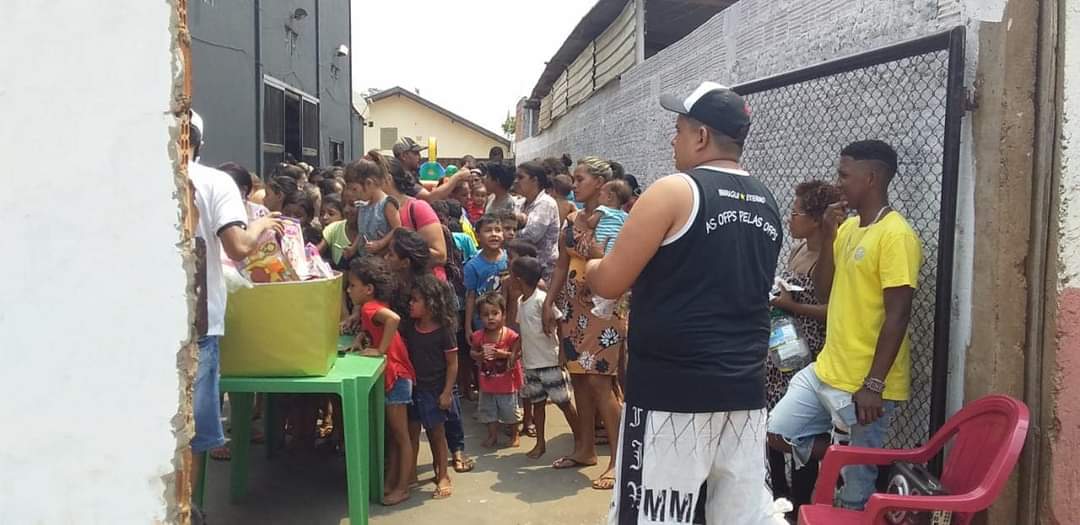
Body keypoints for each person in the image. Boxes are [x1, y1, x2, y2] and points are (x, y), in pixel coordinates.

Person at [584, 82, 784, 523]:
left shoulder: (674, 191)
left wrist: (593, 264)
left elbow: (611, 283)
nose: (672, 140)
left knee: (655, 515)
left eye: (678, 130)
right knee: (739, 516)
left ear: (701, 136)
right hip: (744, 391)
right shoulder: (765, 199)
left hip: (671, 392)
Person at [767, 140, 922, 511]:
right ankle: (845, 448)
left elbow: (898, 314)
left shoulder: (896, 235)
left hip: (865, 383)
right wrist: (830, 236)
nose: (839, 184)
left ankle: (861, 463)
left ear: (871, 178)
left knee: (854, 491)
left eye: (844, 176)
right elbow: (825, 290)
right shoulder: (849, 228)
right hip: (826, 370)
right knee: (775, 431)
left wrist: (874, 385)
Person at [186, 112, 284, 522]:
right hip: (196, 324)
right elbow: (238, 246)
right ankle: (184, 510)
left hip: (137, 324)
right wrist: (264, 225)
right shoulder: (213, 182)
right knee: (189, 433)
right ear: (200, 142)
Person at [543, 156, 626, 492]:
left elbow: (619, 261)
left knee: (600, 383)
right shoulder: (571, 219)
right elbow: (561, 266)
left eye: (580, 179)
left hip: (603, 310)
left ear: (600, 184)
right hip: (573, 311)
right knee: (578, 377)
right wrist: (549, 302)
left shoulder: (616, 220)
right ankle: (585, 449)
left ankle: (618, 461)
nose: (574, 184)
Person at [384, 229, 476, 473]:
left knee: (448, 404)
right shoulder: (394, 285)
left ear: (406, 261)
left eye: (391, 254)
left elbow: (448, 321)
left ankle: (457, 449)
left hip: (437, 351)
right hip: (411, 351)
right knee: (419, 416)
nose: (386, 258)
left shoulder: (431, 286)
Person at [345, 256, 416, 506]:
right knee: (396, 437)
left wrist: (380, 350)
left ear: (368, 288)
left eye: (352, 285)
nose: (348, 290)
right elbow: (373, 326)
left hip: (396, 375)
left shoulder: (369, 307)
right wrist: (361, 338)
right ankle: (392, 481)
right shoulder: (371, 307)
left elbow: (393, 319)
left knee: (400, 436)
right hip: (396, 374)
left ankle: (402, 487)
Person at [511, 256, 579, 460]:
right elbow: (524, 331)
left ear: (519, 279)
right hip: (531, 364)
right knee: (538, 404)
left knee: (563, 403)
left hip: (549, 361)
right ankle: (540, 444)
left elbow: (560, 321)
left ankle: (581, 440)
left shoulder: (542, 300)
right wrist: (515, 352)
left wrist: (562, 352)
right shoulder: (521, 302)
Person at [402, 274, 460, 500]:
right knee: (412, 432)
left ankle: (443, 474)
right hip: (414, 388)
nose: (411, 304)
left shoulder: (444, 330)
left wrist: (447, 392)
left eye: (415, 300)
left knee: (437, 434)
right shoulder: (410, 328)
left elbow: (452, 364)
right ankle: (410, 473)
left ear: (431, 303)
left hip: (435, 390)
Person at [383, 156, 450, 281]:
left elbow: (440, 255)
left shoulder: (417, 208)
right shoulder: (366, 212)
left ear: (387, 180)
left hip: (421, 286)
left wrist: (402, 255)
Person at [470, 293, 523, 448]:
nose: (491, 318)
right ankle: (492, 436)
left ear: (503, 314)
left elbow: (518, 354)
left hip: (506, 384)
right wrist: (479, 356)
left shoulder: (510, 335)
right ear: (480, 317)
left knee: (510, 411)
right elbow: (472, 352)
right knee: (488, 412)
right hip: (487, 383)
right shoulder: (478, 336)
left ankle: (515, 434)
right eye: (485, 315)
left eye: (495, 313)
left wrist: (503, 354)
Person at [585, 179, 633, 320]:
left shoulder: (602, 210)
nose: (598, 196)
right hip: (614, 249)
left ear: (610, 197)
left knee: (596, 271)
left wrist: (590, 222)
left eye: (601, 193)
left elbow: (591, 223)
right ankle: (604, 303)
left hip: (600, 245)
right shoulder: (625, 215)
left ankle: (596, 298)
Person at [513, 161, 561, 281]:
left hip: (542, 270)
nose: (516, 181)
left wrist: (510, 234)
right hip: (522, 268)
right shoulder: (519, 203)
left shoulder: (546, 203)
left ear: (534, 180)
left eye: (520, 177)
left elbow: (531, 236)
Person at [348, 157, 401, 256]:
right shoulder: (363, 206)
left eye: (355, 189)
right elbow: (362, 233)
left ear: (369, 183)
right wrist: (353, 248)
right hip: (366, 258)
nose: (353, 194)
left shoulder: (387, 204)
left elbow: (397, 228)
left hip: (383, 257)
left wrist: (380, 243)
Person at [464, 215, 508, 333]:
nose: (494, 234)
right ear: (478, 236)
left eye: (498, 230)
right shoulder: (472, 265)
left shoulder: (510, 259)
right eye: (488, 230)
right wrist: (468, 326)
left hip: (507, 318)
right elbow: (470, 296)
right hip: (483, 322)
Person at [391, 137, 470, 203]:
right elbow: (430, 198)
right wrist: (457, 177)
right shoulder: (402, 177)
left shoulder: (406, 174)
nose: (419, 157)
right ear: (404, 156)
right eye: (416, 153)